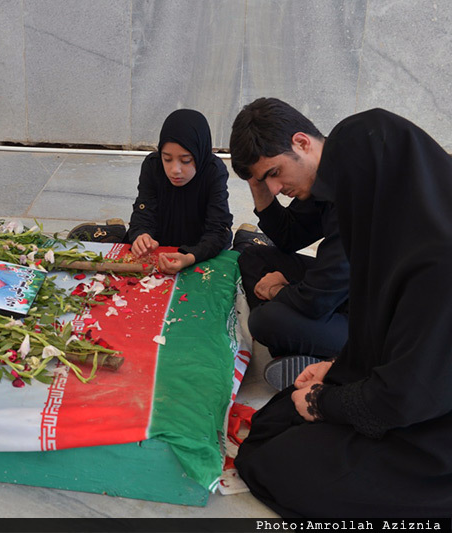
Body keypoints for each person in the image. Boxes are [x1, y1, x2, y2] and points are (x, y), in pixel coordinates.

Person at [229, 97, 452, 517]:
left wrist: (324, 402)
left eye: (274, 173)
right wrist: (336, 369)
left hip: (431, 434)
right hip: (401, 391)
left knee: (275, 461)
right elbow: (388, 335)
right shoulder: (394, 229)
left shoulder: (437, 265)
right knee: (273, 422)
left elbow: (411, 394)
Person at [231, 103, 351, 390]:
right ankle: (305, 350)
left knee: (265, 321)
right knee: (253, 257)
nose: (275, 189)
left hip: (387, 320)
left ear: (301, 143)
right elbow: (289, 237)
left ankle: (333, 359)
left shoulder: (353, 184)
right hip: (347, 287)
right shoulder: (324, 171)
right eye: (265, 179)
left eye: (275, 172)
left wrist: (278, 291)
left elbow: (319, 298)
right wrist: (257, 183)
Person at [125, 109, 233, 274]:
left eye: (186, 160)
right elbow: (143, 212)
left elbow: (218, 229)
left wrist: (191, 256)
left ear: (200, 154)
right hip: (159, 247)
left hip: (199, 249)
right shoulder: (153, 166)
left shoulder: (213, 171)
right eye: (167, 159)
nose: (175, 170)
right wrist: (142, 236)